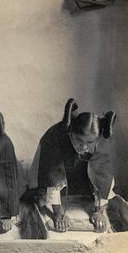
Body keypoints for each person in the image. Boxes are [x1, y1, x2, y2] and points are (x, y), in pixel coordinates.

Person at [28, 98, 117, 233]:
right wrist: (57, 213)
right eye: (78, 140)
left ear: (97, 138)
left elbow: (104, 177)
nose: (84, 146)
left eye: (90, 142)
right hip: (53, 166)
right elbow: (52, 176)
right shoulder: (55, 137)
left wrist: (99, 211)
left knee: (93, 180)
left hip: (80, 169)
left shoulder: (102, 142)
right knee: (40, 195)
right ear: (70, 133)